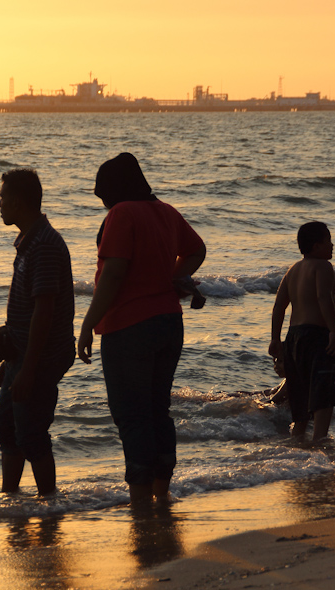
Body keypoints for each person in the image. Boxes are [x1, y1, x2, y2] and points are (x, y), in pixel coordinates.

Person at [77, 153, 206, 504]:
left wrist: (87, 325)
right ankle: (160, 493)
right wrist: (173, 277)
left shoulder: (122, 213)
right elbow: (197, 250)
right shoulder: (165, 211)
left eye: (102, 194)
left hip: (129, 327)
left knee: (132, 416)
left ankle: (139, 500)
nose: (102, 202)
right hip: (168, 322)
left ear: (115, 189)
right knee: (156, 410)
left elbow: (114, 273)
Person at [0, 168, 75, 496]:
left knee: (31, 434)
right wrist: (11, 362)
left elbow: (45, 310)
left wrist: (28, 369)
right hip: (22, 356)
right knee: (7, 426)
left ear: (18, 202)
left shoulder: (45, 245)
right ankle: (10, 498)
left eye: (2, 197)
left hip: (40, 358)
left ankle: (49, 503)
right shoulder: (29, 241)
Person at [268, 221, 335, 443]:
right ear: (317, 246)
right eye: (328, 240)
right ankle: (320, 440)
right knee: (323, 393)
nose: (332, 245)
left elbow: (279, 306)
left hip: (294, 338)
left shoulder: (293, 270)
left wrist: (275, 338)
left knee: (299, 396)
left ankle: (297, 441)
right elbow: (323, 298)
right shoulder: (323, 267)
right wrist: (333, 332)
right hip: (317, 336)